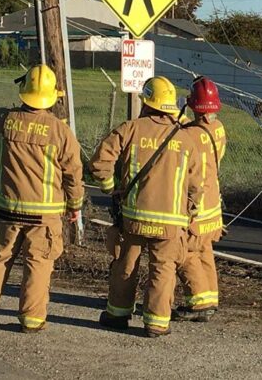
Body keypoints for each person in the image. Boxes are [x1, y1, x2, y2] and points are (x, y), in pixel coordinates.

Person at [0, 64, 84, 333]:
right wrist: (75, 206)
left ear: (24, 92)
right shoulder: (60, 131)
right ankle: (31, 320)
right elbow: (73, 173)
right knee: (38, 265)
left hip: (7, 209)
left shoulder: (6, 120)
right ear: (52, 96)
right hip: (44, 216)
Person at [89, 76, 201, 337]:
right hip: (171, 222)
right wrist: (190, 211)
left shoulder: (131, 128)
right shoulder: (185, 138)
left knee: (125, 264)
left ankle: (117, 314)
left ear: (147, 102)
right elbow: (197, 184)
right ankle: (156, 323)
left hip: (134, 217)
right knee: (163, 269)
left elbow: (99, 163)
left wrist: (109, 189)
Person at [175, 76, 226, 322]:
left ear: (192, 105)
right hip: (213, 209)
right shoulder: (218, 129)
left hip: (195, 209)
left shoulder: (186, 136)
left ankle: (198, 304)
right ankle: (210, 298)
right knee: (205, 252)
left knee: (185, 253)